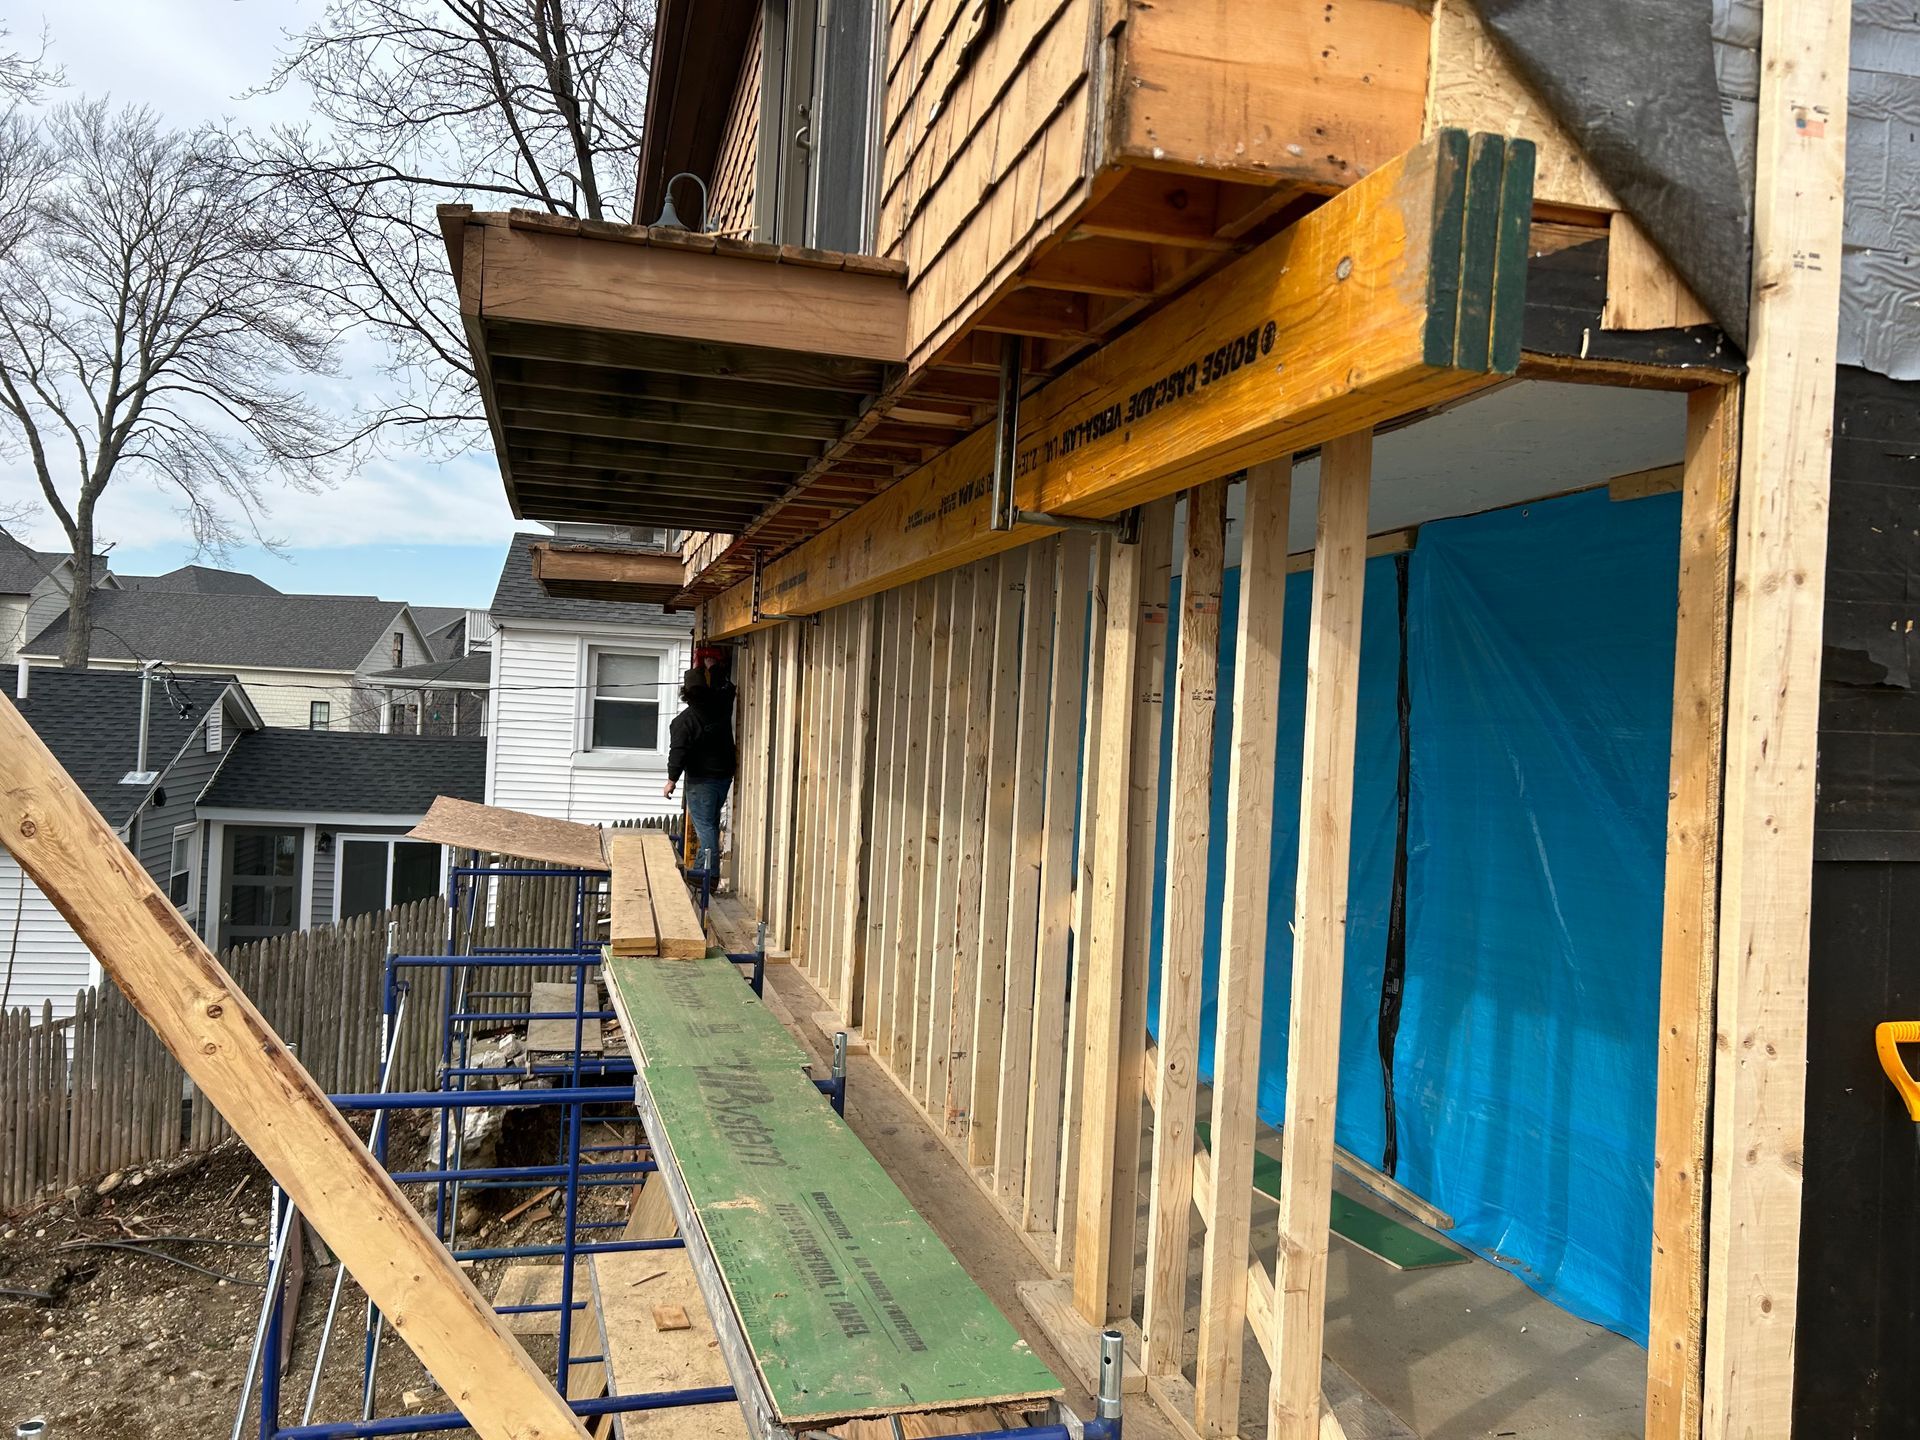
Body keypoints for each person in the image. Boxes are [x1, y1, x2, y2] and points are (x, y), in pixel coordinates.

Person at [663, 664, 737, 872]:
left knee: (706, 829)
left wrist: (671, 780)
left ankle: (706, 876)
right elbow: (728, 689)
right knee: (710, 825)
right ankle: (702, 872)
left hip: (701, 782)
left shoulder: (683, 723)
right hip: (723, 777)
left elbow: (678, 752)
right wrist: (715, 669)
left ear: (685, 695)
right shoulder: (721, 707)